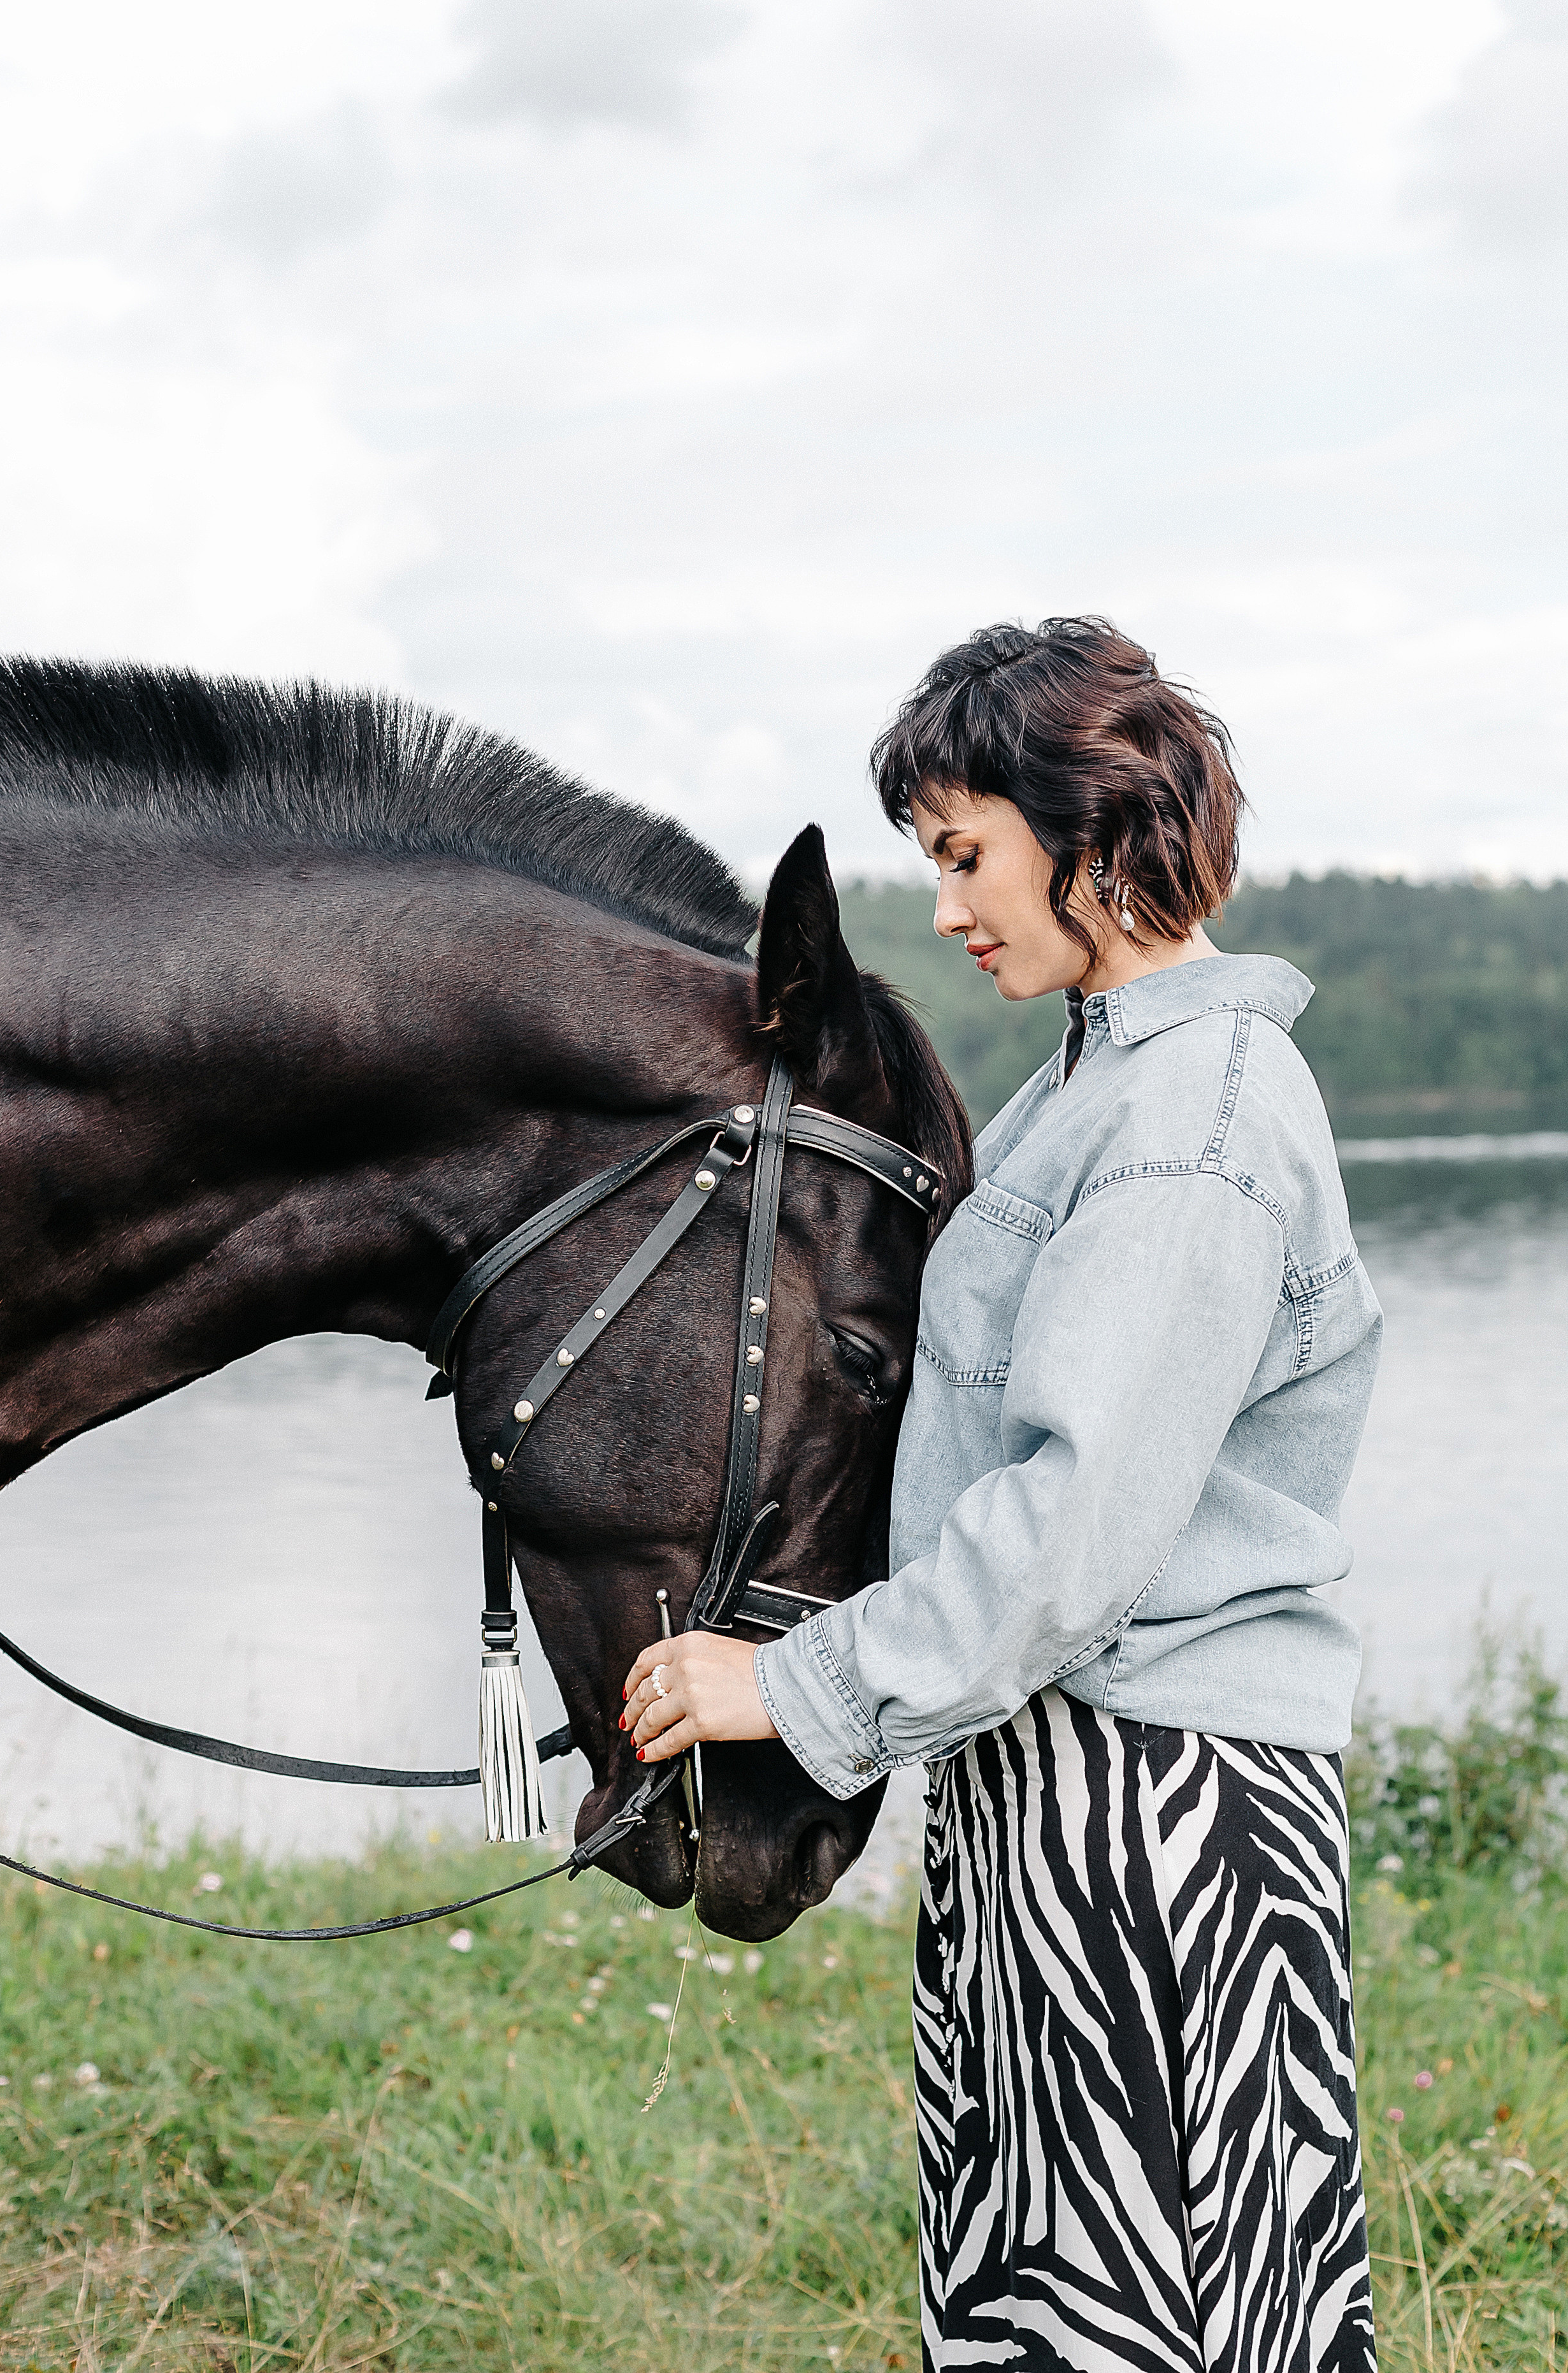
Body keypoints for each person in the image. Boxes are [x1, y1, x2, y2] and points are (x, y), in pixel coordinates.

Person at [623, 617, 1381, 2373]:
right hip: (1058, 1781)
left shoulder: (1197, 1113)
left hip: (1158, 1815)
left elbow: (1074, 1526)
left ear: (1092, 822)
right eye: (931, 861)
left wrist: (792, 1685)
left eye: (967, 853)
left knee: (1158, 2309)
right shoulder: (1095, 1087)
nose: (949, 905)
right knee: (1045, 2292)